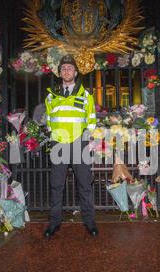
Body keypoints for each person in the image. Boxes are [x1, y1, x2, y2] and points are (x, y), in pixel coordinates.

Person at [43, 55, 98, 238]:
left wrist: (85, 141)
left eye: (69, 68)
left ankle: (89, 223)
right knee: (56, 185)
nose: (66, 71)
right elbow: (49, 121)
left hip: (79, 144)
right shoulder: (51, 96)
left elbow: (91, 121)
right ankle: (54, 223)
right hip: (58, 144)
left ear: (75, 72)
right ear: (60, 73)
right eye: (63, 68)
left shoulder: (85, 95)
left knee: (85, 185)